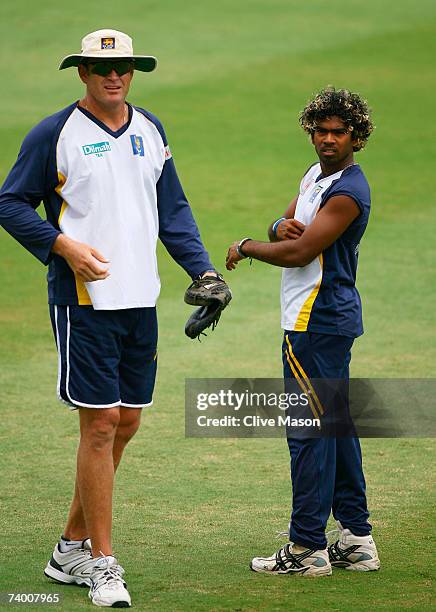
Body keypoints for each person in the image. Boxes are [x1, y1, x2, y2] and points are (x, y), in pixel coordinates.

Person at [0, 29, 227, 607]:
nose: (114, 75)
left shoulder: (150, 128)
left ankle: (69, 549)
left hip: (139, 299)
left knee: (126, 422)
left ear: (133, 72)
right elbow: (9, 201)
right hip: (85, 304)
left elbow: (170, 206)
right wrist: (61, 245)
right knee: (99, 425)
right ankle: (102, 562)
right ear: (81, 72)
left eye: (123, 66)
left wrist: (201, 270)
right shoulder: (54, 134)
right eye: (102, 67)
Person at [226, 87, 380, 576]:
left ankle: (306, 548)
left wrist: (246, 246)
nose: (329, 139)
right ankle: (356, 540)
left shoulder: (349, 191)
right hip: (323, 322)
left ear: (357, 136)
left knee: (308, 432)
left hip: (315, 323)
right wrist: (275, 224)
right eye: (321, 130)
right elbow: (290, 227)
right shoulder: (316, 176)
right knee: (335, 427)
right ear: (310, 131)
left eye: (339, 132)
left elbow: (298, 253)